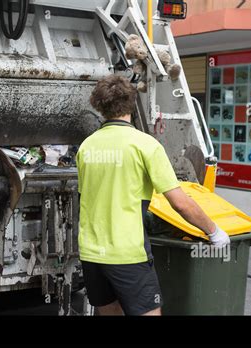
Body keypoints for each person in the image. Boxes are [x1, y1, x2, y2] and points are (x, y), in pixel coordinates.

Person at [76, 75, 230, 316]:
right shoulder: (144, 145)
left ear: (99, 105)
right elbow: (180, 203)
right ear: (130, 103)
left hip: (92, 253)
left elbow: (89, 197)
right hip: (127, 253)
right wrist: (214, 232)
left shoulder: (87, 147)